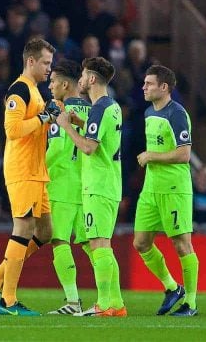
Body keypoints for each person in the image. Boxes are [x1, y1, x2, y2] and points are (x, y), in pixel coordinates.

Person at [0, 38, 59, 316]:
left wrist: (50, 117)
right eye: (46, 63)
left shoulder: (35, 91)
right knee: (23, 229)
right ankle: (7, 299)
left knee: (45, 232)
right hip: (22, 169)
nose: (50, 68)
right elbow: (12, 131)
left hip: (37, 171)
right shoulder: (19, 90)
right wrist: (43, 119)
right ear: (31, 61)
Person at [56, 56, 126, 317]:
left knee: (98, 243)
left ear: (92, 79)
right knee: (103, 243)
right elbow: (101, 137)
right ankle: (116, 304)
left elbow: (89, 147)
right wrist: (81, 123)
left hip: (97, 185)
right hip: (110, 183)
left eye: (84, 76)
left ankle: (103, 304)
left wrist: (66, 127)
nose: (81, 80)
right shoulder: (112, 106)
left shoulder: (98, 107)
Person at [133, 65, 199, 316]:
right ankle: (173, 288)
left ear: (164, 87)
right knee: (140, 243)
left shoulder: (177, 114)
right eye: (144, 83)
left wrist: (152, 155)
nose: (144, 87)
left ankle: (191, 303)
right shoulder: (149, 112)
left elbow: (184, 154)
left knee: (182, 245)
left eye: (149, 84)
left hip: (174, 188)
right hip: (151, 188)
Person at [45, 59, 92, 315]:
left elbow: (58, 149)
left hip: (61, 185)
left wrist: (37, 170)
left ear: (65, 84)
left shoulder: (58, 109)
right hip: (85, 186)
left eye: (53, 81)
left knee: (59, 241)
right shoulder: (92, 109)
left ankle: (73, 301)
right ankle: (110, 298)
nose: (50, 86)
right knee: (92, 244)